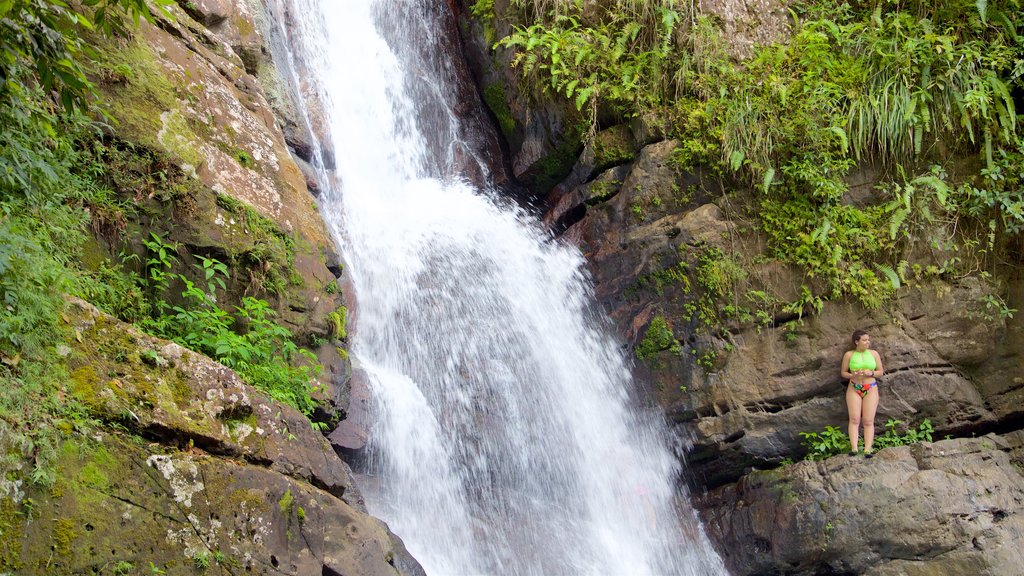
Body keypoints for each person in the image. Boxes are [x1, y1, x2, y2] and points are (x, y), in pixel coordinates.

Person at [840, 330, 884, 457]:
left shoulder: (874, 353)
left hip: (870, 387)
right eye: (864, 340)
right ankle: (854, 448)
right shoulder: (849, 355)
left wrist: (871, 373)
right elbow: (843, 373)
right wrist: (852, 374)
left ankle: (868, 449)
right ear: (856, 342)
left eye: (868, 340)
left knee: (868, 420)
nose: (867, 342)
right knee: (854, 419)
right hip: (854, 387)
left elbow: (880, 371)